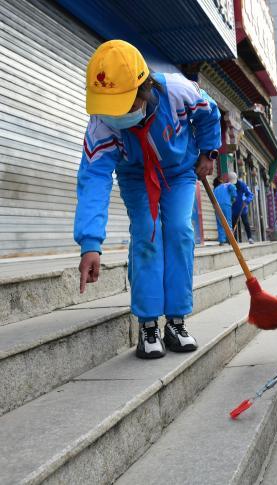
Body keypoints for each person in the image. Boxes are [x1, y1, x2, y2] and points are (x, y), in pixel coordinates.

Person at [75, 40, 221, 359]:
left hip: (179, 172)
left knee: (180, 231)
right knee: (147, 233)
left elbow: (210, 115)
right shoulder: (101, 124)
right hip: (136, 178)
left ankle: (176, 322)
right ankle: (148, 325)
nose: (115, 115)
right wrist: (90, 243)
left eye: (123, 106)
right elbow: (94, 180)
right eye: (109, 107)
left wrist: (210, 152)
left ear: (145, 88)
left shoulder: (180, 91)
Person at [229, 172, 255, 244]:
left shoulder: (242, 185)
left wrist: (246, 201)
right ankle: (233, 240)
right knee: (233, 224)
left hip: (242, 207)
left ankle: (250, 238)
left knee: (246, 222)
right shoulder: (228, 185)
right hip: (233, 208)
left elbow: (250, 194)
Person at [213, 175, 237, 245]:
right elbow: (232, 187)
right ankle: (230, 240)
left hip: (217, 206)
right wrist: (233, 197)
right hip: (226, 204)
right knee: (228, 222)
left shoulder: (215, 189)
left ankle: (222, 241)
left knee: (220, 222)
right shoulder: (227, 184)